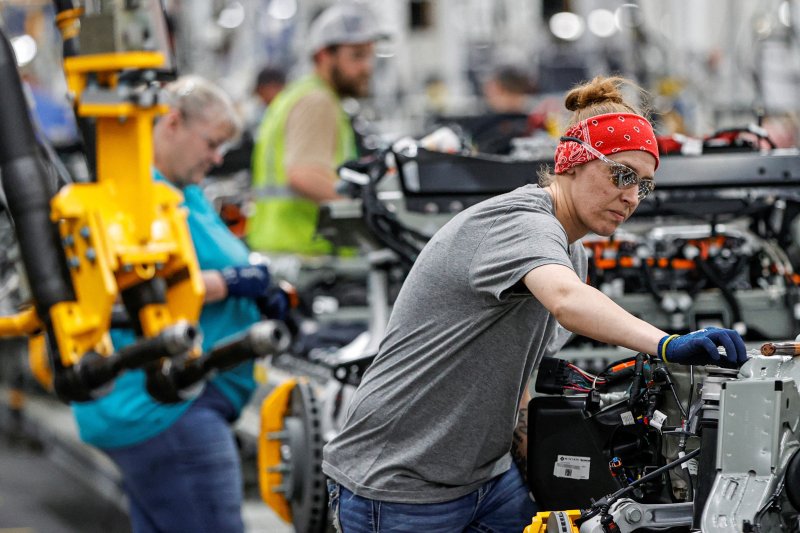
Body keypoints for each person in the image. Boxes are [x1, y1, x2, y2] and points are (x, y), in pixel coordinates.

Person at [321, 76, 748, 532]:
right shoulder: (520, 222)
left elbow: (518, 370)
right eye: (622, 175)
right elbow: (567, 301)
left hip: (487, 480)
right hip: (399, 484)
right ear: (573, 162)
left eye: (644, 186)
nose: (631, 197)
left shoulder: (571, 252)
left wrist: (546, 470)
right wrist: (667, 344)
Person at [72, 75, 286, 533]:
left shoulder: (183, 190)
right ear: (172, 124)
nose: (218, 157)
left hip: (179, 405)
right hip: (166, 409)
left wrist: (256, 284)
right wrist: (234, 282)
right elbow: (144, 287)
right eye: (211, 143)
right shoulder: (138, 197)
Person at [245, 2, 385, 255]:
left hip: (284, 247)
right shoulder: (317, 101)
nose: (367, 67)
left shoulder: (298, 94)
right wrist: (372, 211)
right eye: (356, 56)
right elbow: (304, 175)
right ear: (323, 56)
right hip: (308, 253)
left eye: (369, 55)